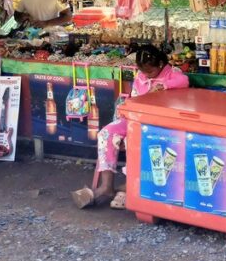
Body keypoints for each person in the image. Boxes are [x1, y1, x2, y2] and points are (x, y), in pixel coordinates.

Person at [72, 45, 189, 209]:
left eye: (150, 71)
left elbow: (184, 81)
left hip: (157, 123)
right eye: (143, 71)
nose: (146, 74)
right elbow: (134, 98)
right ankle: (106, 186)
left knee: (133, 139)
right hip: (135, 118)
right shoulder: (140, 77)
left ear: (161, 64)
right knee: (106, 133)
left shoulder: (173, 73)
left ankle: (128, 187)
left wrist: (163, 86)